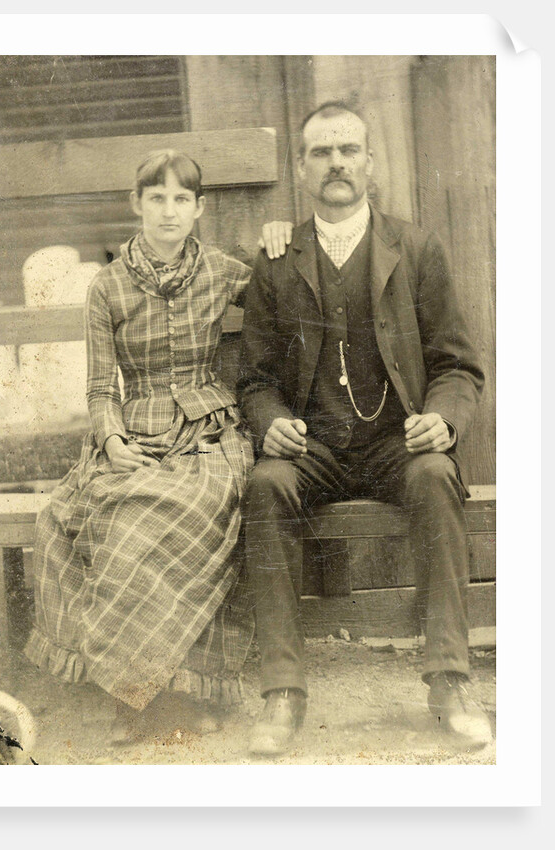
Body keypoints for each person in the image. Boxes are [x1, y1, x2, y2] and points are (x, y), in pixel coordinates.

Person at [238, 102, 493, 756]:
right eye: (321, 152)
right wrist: (271, 424)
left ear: (370, 164)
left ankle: (448, 682)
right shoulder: (275, 260)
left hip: (394, 446)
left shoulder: (416, 248)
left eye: (348, 149)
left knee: (438, 476)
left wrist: (442, 417)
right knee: (266, 486)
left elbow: (457, 363)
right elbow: (255, 378)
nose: (337, 163)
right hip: (313, 447)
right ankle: (283, 691)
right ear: (301, 168)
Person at [24, 149, 258, 744]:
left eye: (182, 199)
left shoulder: (224, 271)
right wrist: (112, 438)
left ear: (200, 209)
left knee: (191, 510)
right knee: (103, 518)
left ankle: (182, 689)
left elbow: (284, 294)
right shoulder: (107, 285)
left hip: (207, 432)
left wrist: (278, 239)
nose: (169, 212)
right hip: (134, 430)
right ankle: (139, 692)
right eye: (157, 198)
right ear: (137, 205)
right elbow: (101, 385)